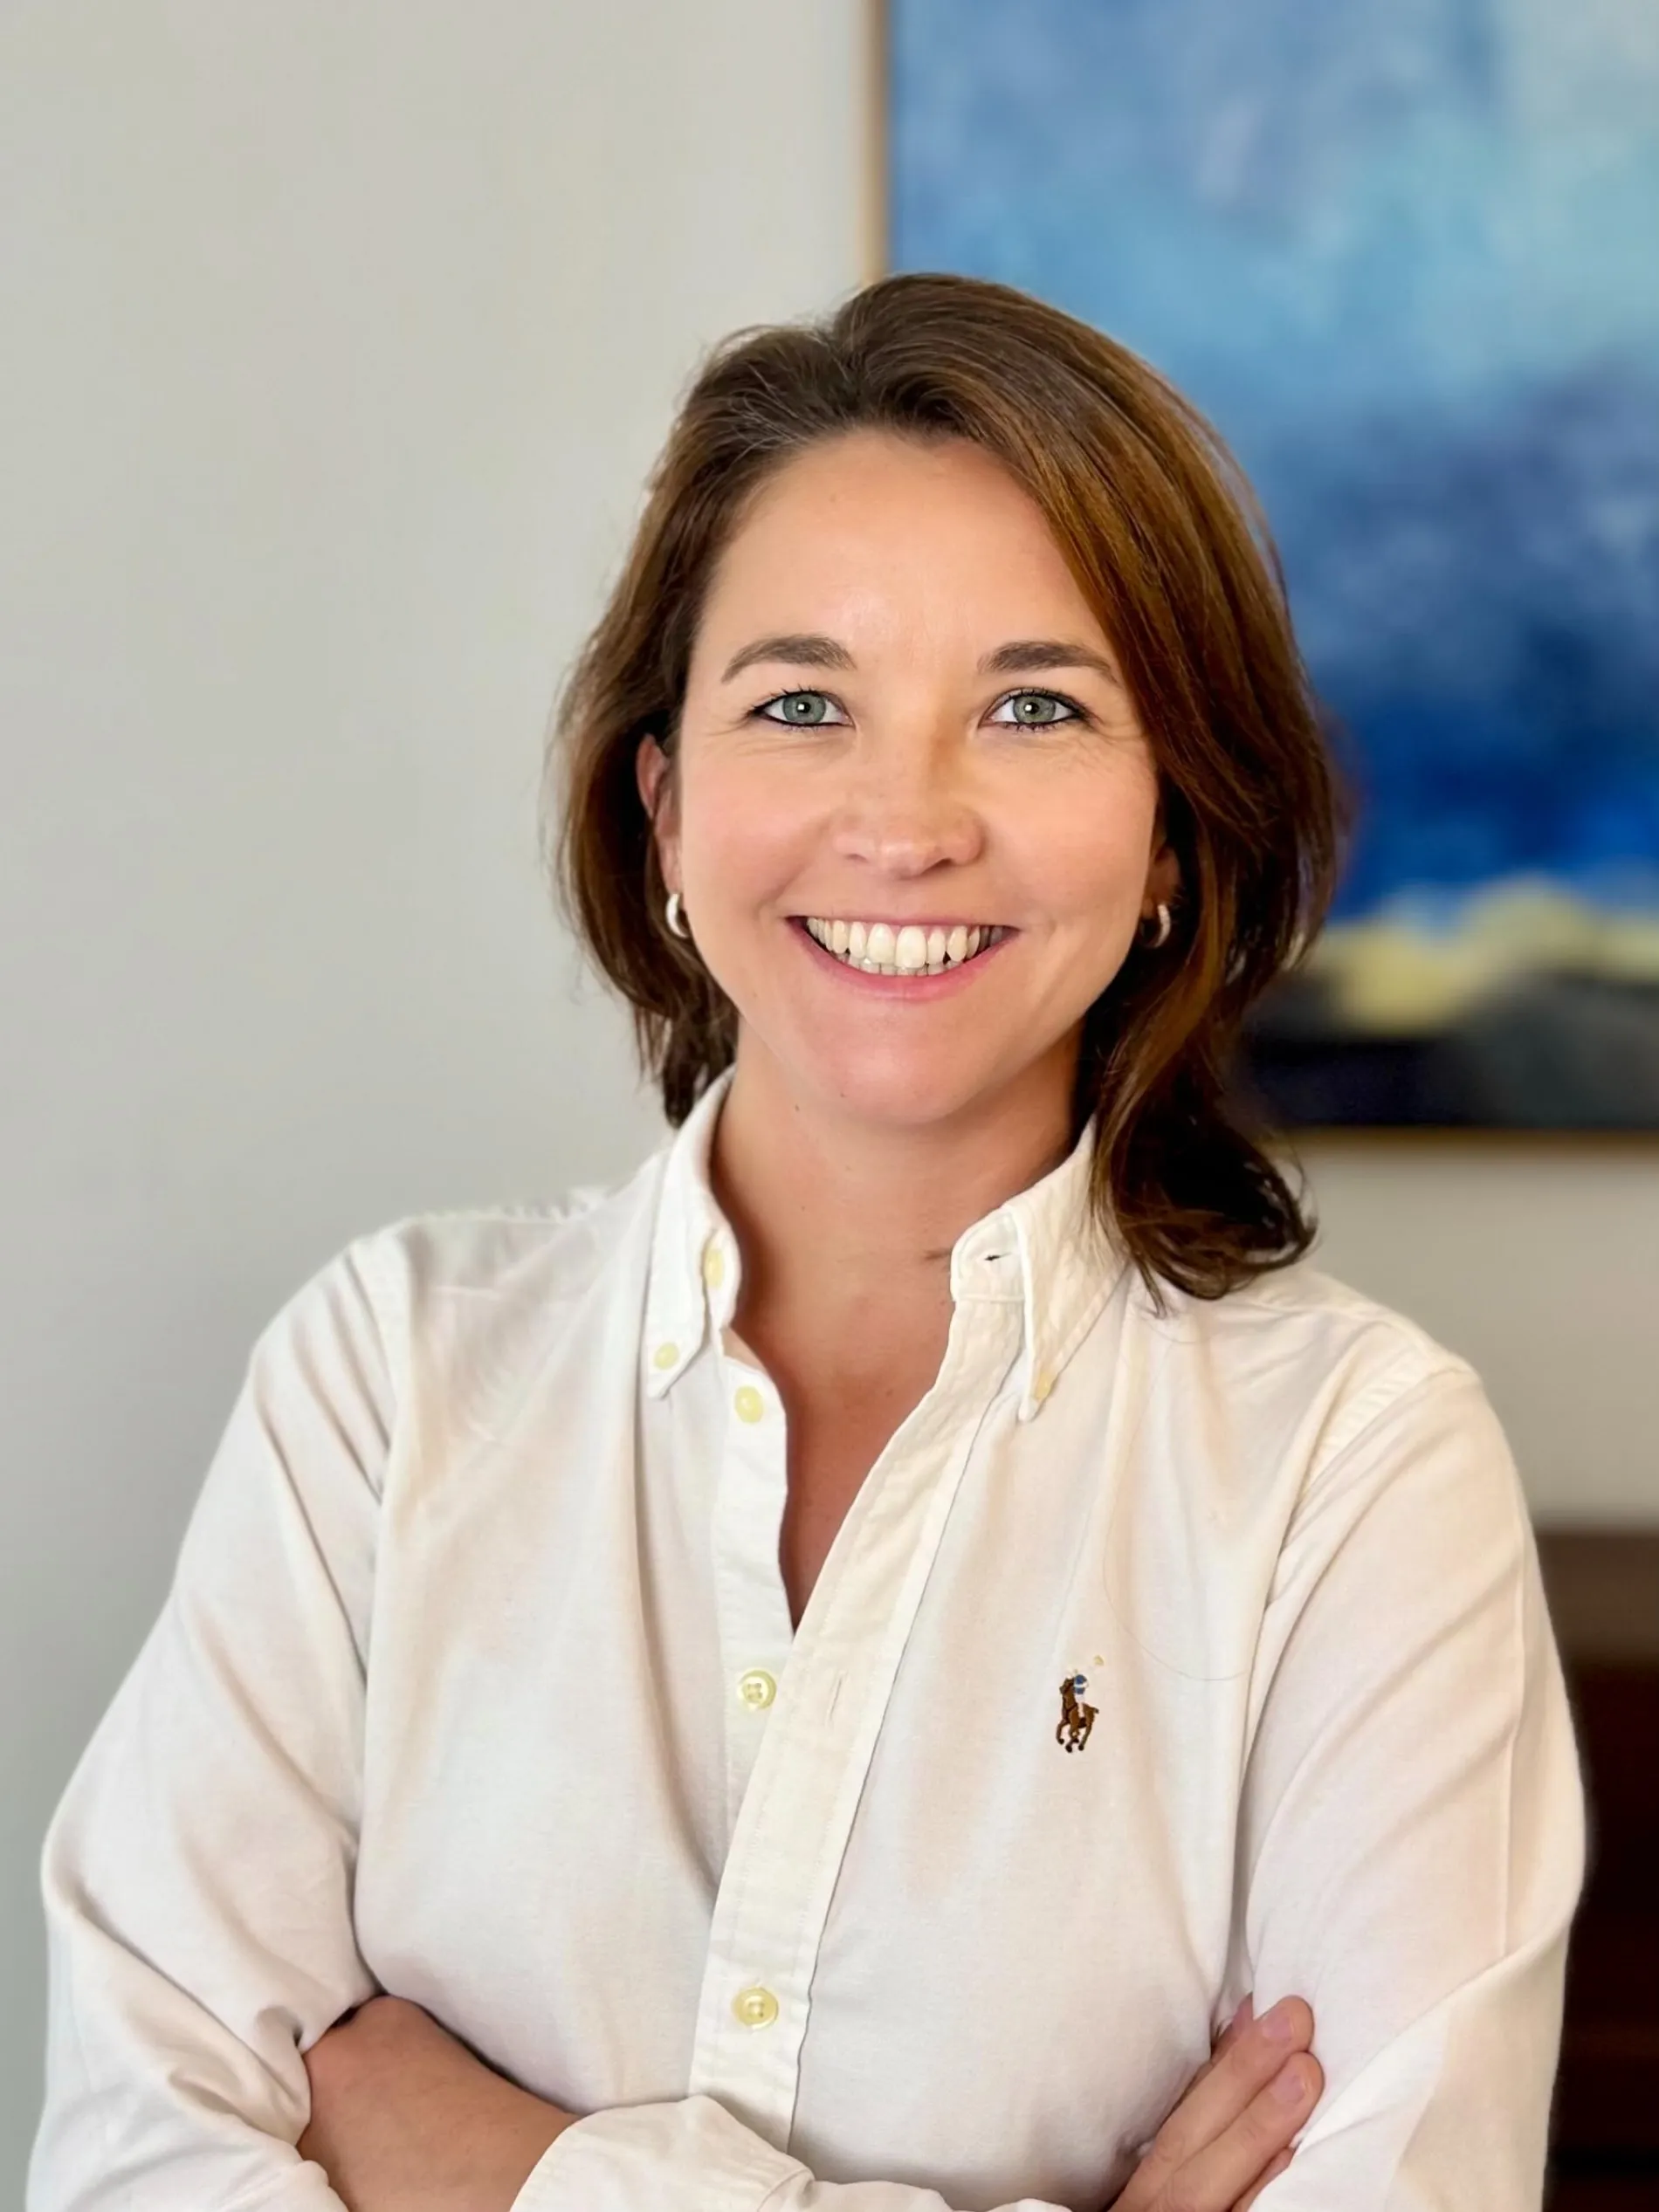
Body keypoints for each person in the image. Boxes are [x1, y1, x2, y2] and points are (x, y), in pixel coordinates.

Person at [28, 272, 1585, 2212]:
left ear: (1174, 830)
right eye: (799, 702)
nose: (903, 819)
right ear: (664, 807)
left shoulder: (1354, 1470)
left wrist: (503, 2173)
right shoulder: (382, 1380)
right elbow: (122, 2169)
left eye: (1031, 706)